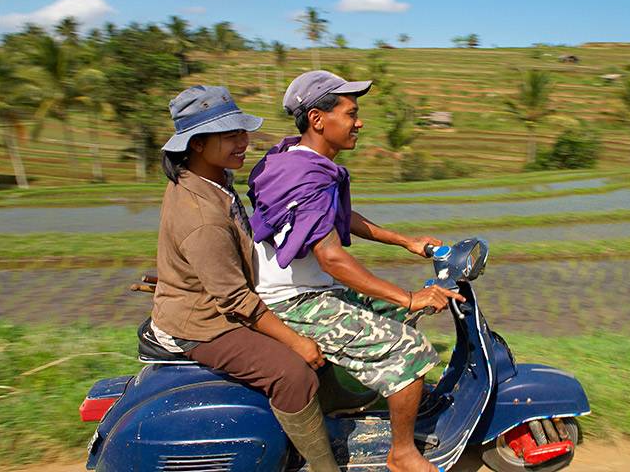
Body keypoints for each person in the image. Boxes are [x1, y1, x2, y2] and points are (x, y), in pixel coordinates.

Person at [248, 71, 465, 472]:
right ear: (318, 119)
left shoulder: (297, 159)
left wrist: (406, 241)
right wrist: (408, 295)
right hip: (292, 301)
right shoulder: (306, 176)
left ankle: (353, 397)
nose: (359, 122)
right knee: (409, 349)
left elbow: (340, 219)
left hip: (311, 290)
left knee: (401, 315)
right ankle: (402, 454)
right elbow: (331, 257)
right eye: (351, 114)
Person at [150, 85, 340, 472]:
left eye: (242, 132)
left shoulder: (212, 179)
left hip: (215, 305)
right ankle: (324, 467)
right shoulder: (200, 215)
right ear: (197, 145)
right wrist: (297, 343)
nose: (243, 142)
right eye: (230, 135)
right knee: (293, 374)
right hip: (206, 324)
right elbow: (234, 300)